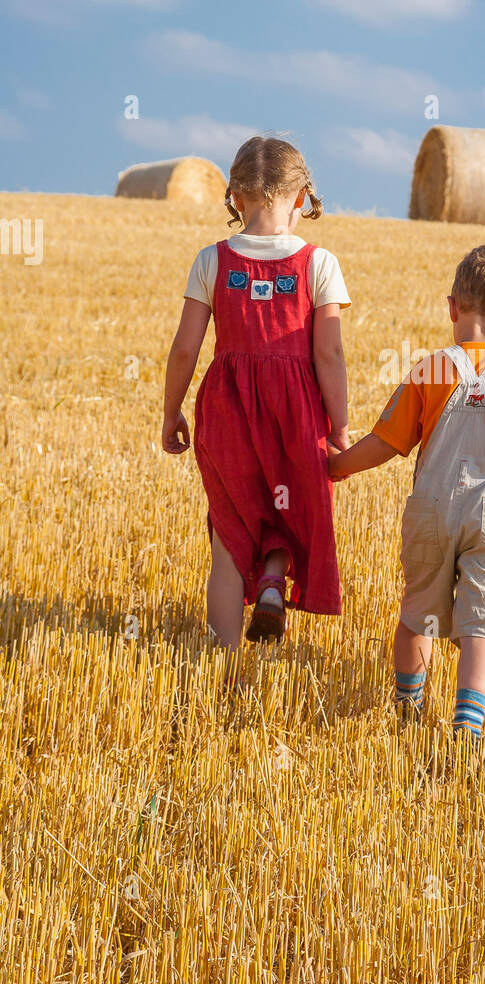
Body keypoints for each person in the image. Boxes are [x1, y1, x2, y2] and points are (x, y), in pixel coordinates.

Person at [328, 244, 485, 747]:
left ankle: (409, 707)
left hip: (431, 512)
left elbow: (386, 444)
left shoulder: (431, 369)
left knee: (417, 614)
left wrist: (336, 466)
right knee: (482, 625)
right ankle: (467, 725)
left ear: (452, 309)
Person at [162, 136, 350, 681]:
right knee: (290, 512)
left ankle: (224, 665)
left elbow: (184, 348)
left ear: (236, 198)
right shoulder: (319, 263)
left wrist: (171, 411)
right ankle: (272, 578)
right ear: (300, 199)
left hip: (227, 409)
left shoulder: (211, 260)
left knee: (229, 531)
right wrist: (339, 424)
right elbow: (329, 351)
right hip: (296, 411)